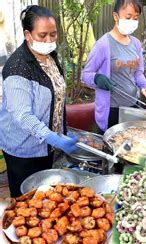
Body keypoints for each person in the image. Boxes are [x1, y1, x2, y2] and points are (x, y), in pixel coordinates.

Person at [0, 5, 78, 197]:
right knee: (25, 202)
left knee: (46, 199)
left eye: (53, 34)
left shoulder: (49, 56)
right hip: (24, 149)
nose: (49, 40)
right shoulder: (17, 68)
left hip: (47, 145)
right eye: (43, 35)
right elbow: (23, 116)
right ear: (28, 35)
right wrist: (52, 137)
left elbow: (56, 96)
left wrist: (60, 131)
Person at [82, 0, 146, 133]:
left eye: (136, 18)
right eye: (128, 17)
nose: (132, 21)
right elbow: (86, 74)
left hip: (133, 106)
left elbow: (138, 73)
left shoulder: (136, 44)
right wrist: (97, 78)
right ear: (116, 16)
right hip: (111, 111)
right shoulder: (103, 44)